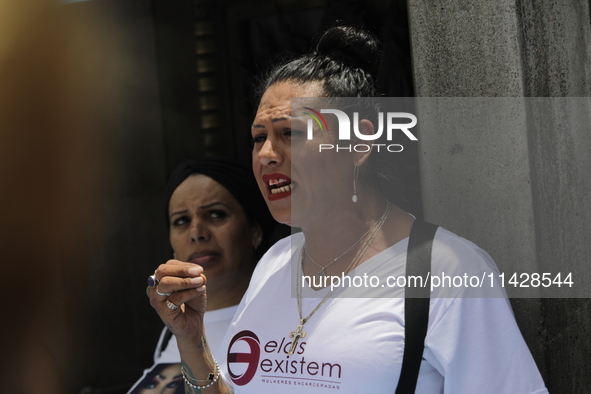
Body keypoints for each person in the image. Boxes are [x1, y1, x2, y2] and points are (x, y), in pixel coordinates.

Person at [146, 26, 548, 393]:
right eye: (258, 138)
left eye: (291, 133)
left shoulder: (448, 271)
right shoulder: (273, 264)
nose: (267, 155)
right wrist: (192, 340)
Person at [134, 157, 273, 393]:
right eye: (182, 221)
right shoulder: (173, 327)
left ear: (255, 230)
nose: (197, 233)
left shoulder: (279, 327)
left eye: (216, 214)